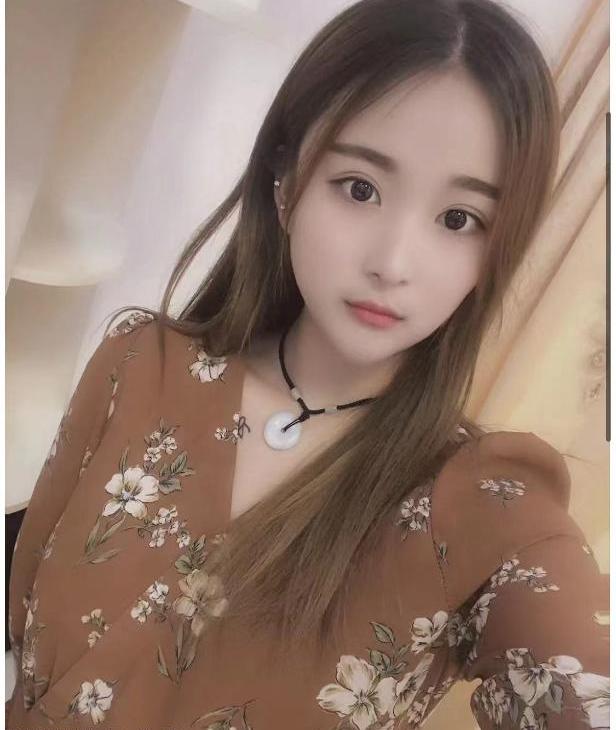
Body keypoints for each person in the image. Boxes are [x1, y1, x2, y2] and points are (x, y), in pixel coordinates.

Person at [6, 0, 609, 728]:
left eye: (459, 219)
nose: (393, 263)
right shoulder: (138, 365)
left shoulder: (484, 507)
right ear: (286, 183)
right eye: (360, 188)